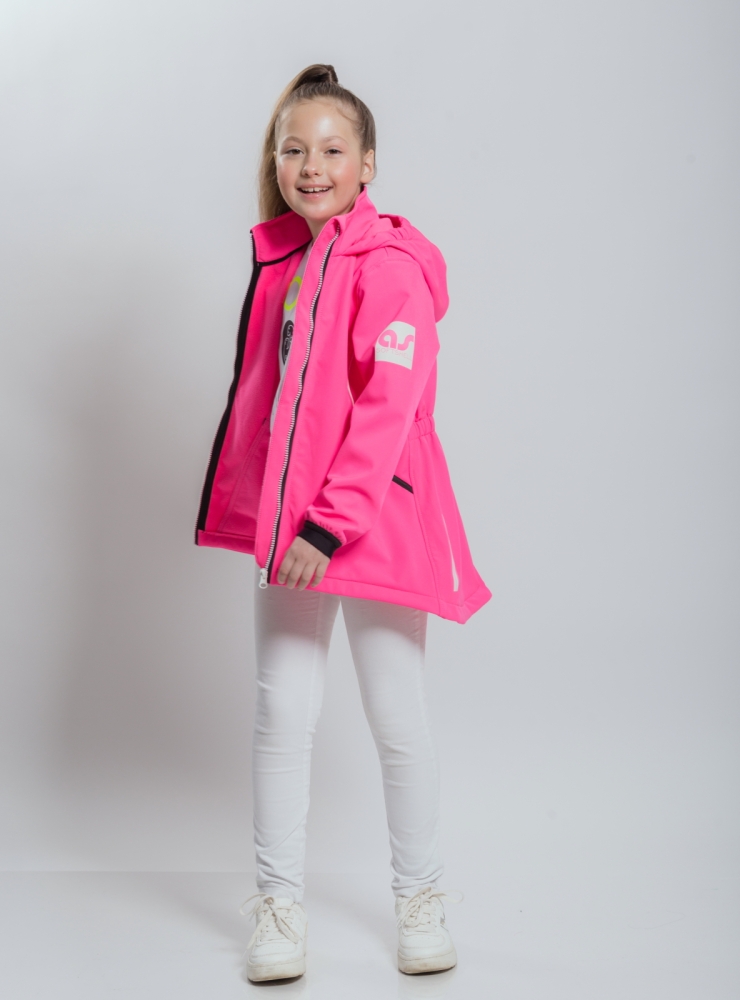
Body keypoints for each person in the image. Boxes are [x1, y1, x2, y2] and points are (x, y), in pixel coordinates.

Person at [195, 63, 491, 983]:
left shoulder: (390, 267)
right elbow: (274, 409)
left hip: (366, 526)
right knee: (283, 711)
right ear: (276, 163)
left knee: (395, 712)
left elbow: (386, 411)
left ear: (367, 165)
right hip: (293, 531)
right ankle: (279, 908)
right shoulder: (288, 265)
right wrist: (273, 516)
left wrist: (326, 528)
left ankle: (420, 897)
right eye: (294, 150)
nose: (311, 166)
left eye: (331, 150)